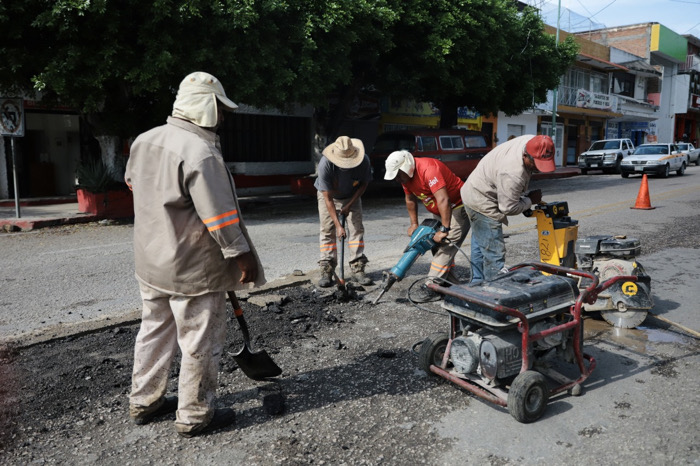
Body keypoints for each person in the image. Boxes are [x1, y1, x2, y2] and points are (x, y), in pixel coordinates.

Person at [125, 71, 265, 438]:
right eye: (221, 107)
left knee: (153, 331)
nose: (224, 115)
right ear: (207, 107)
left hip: (151, 262)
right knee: (199, 338)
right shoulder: (200, 153)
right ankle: (195, 414)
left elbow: (132, 184)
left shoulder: (145, 140)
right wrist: (241, 255)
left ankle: (144, 400)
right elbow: (220, 216)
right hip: (191, 268)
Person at [460, 134, 555, 282]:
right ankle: (494, 290)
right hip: (481, 199)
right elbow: (508, 208)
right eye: (536, 164)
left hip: (474, 189)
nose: (539, 169)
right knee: (493, 251)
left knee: (480, 242)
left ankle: (477, 283)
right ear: (525, 155)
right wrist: (530, 200)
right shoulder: (512, 173)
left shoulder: (534, 141)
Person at [384, 150, 470, 301]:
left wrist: (444, 229)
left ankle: (432, 286)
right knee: (434, 245)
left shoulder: (428, 169)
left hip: (457, 205)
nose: (397, 179)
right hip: (440, 210)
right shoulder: (406, 179)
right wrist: (414, 224)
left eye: (398, 175)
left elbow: (443, 199)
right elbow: (410, 199)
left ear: (407, 167)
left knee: (446, 246)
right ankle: (449, 285)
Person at [315, 136, 373, 287]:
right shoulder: (325, 164)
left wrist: (349, 205)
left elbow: (364, 184)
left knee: (356, 229)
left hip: (352, 195)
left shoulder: (363, 161)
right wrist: (338, 226)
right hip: (328, 195)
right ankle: (327, 268)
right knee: (328, 230)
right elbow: (327, 199)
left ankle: (357, 268)